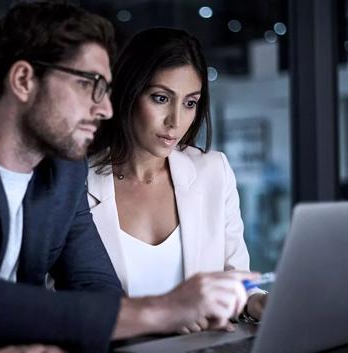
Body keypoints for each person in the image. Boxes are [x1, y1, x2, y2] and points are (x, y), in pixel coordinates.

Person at [0, 3, 256, 353]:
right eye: (89, 86)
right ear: (23, 80)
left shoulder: (63, 171)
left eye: (107, 90)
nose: (105, 109)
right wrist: (164, 309)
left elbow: (96, 286)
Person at [87, 27, 267, 333]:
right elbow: (58, 297)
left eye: (190, 103)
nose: (175, 121)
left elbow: (237, 278)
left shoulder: (213, 172)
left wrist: (258, 302)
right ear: (128, 91)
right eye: (160, 98)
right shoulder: (77, 182)